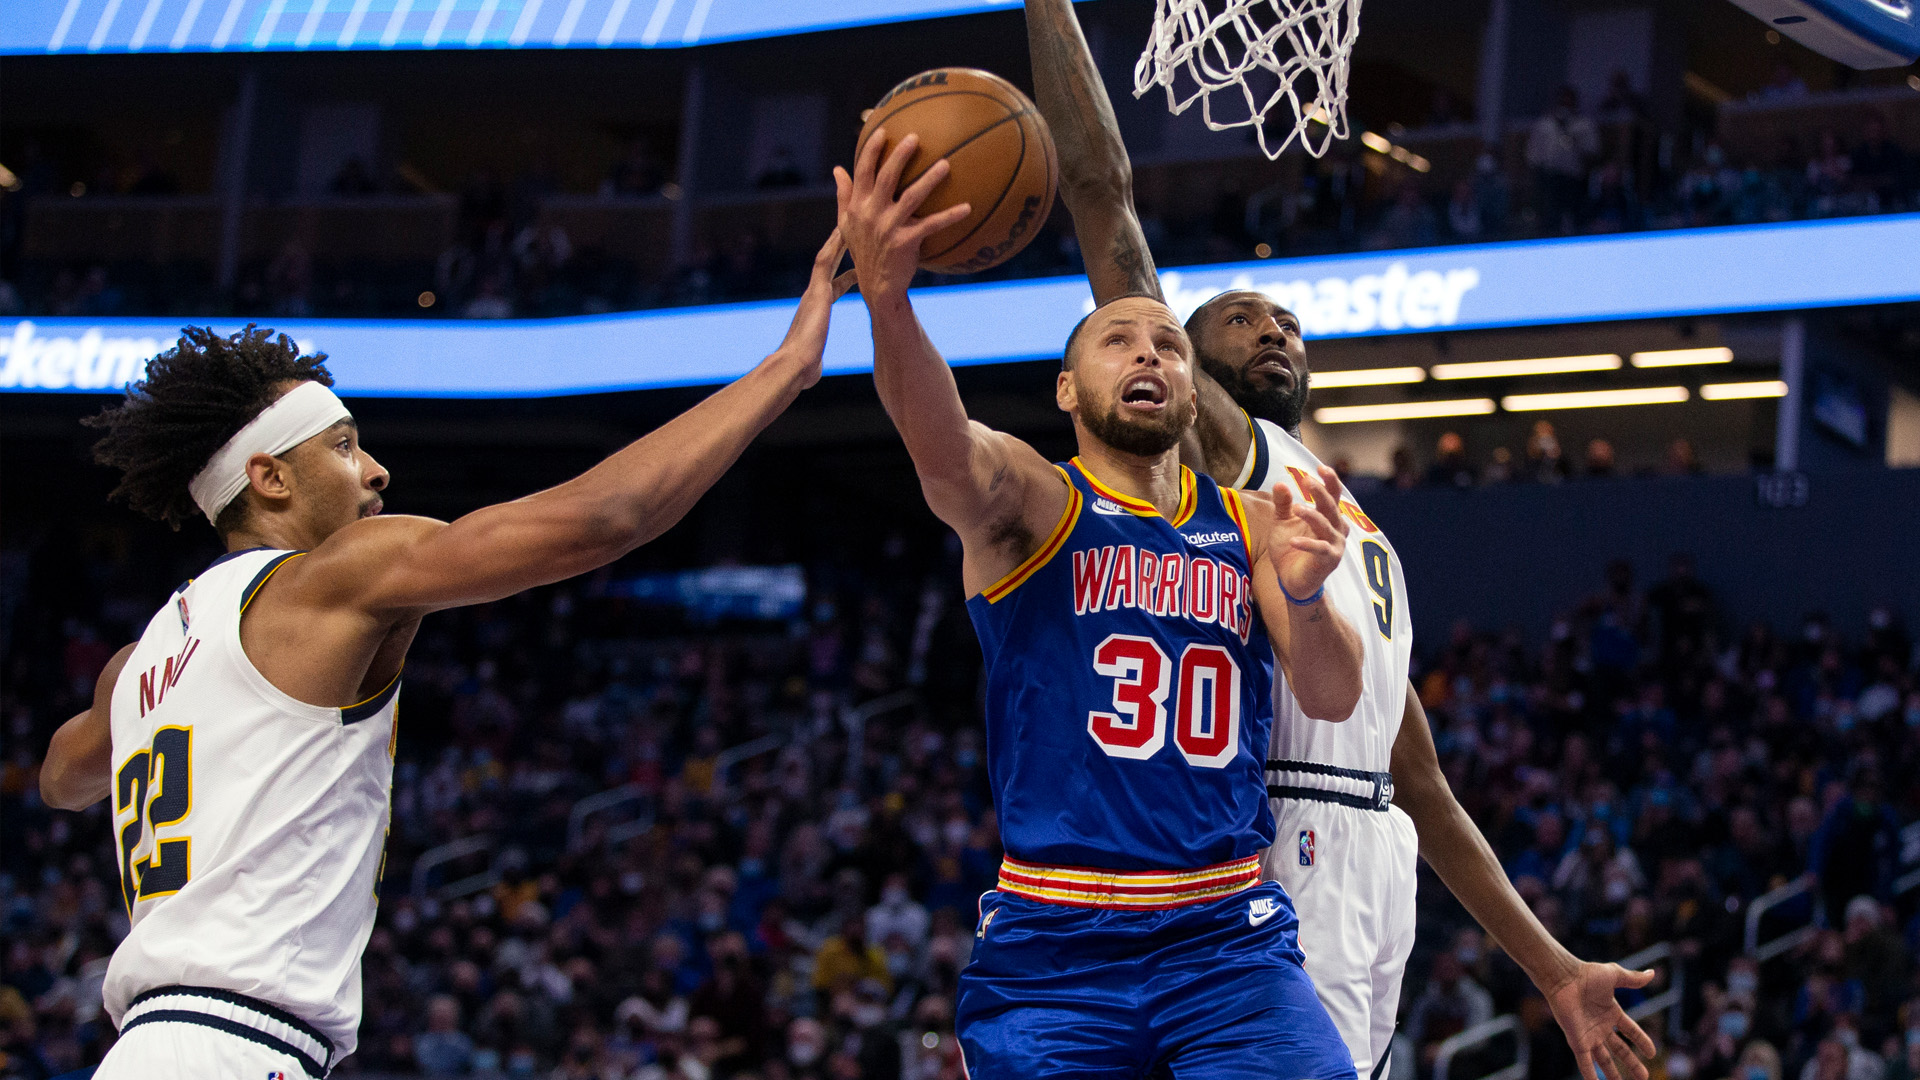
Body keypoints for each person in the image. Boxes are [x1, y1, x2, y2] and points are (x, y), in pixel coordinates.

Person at [35, 231, 856, 1079]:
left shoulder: (133, 666)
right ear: (271, 477)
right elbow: (607, 517)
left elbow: (63, 779)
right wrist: (786, 368)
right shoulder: (334, 578)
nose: (377, 472)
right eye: (345, 445)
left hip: (148, 1045)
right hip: (237, 1047)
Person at [1019, 4, 1661, 1080]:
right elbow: (1108, 209)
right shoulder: (1231, 459)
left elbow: (1422, 782)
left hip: (1376, 863)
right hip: (1272, 844)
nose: (1275, 330)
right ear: (1185, 366)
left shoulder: (1352, 524)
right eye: (1243, 319)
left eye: (1289, 322)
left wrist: (1551, 968)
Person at [836, 123, 1369, 1077]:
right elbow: (940, 442)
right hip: (1054, 944)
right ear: (1069, 391)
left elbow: (1331, 695)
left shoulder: (1252, 522)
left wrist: (1311, 593)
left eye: (1168, 342)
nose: (1149, 354)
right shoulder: (1036, 502)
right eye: (1117, 341)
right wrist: (888, 303)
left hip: (1226, 938)